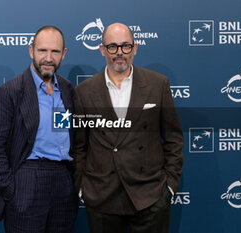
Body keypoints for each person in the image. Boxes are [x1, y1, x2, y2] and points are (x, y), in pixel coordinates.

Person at [72, 23, 183, 233]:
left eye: (125, 46)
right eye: (112, 47)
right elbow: (79, 146)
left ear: (135, 48)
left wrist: (168, 187)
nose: (119, 53)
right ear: (102, 49)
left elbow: (173, 138)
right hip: (102, 198)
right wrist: (82, 188)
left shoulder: (158, 84)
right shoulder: (84, 92)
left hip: (150, 197)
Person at [0, 25, 78, 233]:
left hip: (64, 181)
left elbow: (67, 134)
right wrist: (12, 190)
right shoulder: (9, 92)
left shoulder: (68, 89)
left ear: (64, 54)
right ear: (31, 51)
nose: (48, 58)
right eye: (43, 50)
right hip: (27, 179)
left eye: (55, 51)